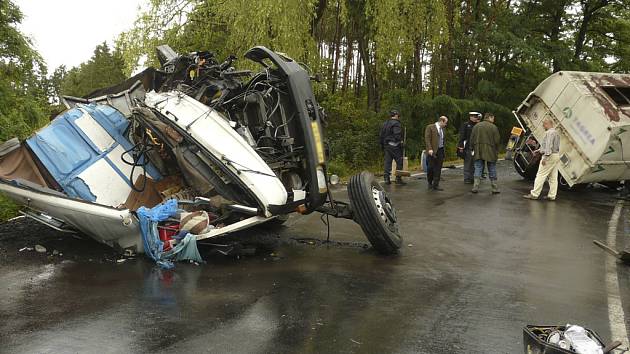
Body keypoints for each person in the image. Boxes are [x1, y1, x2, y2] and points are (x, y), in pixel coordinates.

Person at [523, 118, 561, 201]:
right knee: (553, 177)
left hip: (549, 156)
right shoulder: (556, 133)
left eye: (544, 124)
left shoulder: (549, 133)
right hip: (556, 155)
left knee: (540, 175)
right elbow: (550, 146)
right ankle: (552, 195)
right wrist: (538, 151)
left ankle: (534, 194)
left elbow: (548, 147)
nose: (543, 126)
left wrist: (545, 158)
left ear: (547, 124)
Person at [470, 113, 501, 194]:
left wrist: (472, 148)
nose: (494, 120)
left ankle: (475, 187)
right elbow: (497, 140)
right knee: (492, 168)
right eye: (493, 118)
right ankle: (494, 188)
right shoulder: (493, 127)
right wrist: (497, 150)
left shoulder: (476, 126)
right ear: (489, 117)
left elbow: (472, 138)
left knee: (478, 168)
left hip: (478, 150)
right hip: (490, 151)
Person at [379, 110, 406, 185]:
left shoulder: (385, 123)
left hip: (387, 145)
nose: (399, 117)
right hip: (395, 145)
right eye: (398, 115)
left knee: (387, 162)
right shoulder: (396, 123)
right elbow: (397, 134)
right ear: (396, 115)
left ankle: (386, 178)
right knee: (399, 162)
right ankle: (398, 178)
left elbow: (381, 135)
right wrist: (401, 141)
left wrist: (382, 145)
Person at [424, 116, 448, 191]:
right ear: (441, 121)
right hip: (432, 151)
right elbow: (427, 139)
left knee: (438, 167)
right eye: (445, 123)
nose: (446, 124)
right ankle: (430, 182)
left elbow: (443, 140)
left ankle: (436, 184)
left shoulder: (443, 129)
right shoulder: (430, 127)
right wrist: (430, 149)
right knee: (430, 167)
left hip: (440, 150)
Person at [458, 112, 481, 183]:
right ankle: (467, 178)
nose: (475, 118)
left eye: (476, 117)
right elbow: (462, 136)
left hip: (476, 147)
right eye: (474, 117)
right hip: (468, 146)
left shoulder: (478, 125)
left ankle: (472, 177)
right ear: (470, 117)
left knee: (474, 163)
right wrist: (461, 147)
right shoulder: (466, 125)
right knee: (468, 163)